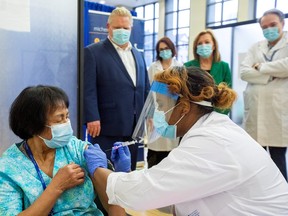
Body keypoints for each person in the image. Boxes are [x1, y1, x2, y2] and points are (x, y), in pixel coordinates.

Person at [84, 66, 288, 215]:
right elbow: (173, 195)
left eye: (162, 105)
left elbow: (140, 194)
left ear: (184, 107)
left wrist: (98, 169)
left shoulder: (213, 143)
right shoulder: (212, 129)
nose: (158, 114)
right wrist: (126, 175)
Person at [0, 85, 126, 215]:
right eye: (60, 119)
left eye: (67, 116)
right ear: (33, 126)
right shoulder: (9, 167)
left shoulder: (76, 149)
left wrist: (119, 177)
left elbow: (113, 205)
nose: (66, 123)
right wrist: (57, 186)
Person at [84, 6, 150, 171]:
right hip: (106, 126)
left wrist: (148, 116)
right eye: (117, 27)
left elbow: (144, 88)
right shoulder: (93, 52)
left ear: (131, 28)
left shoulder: (138, 54)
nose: (122, 31)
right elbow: (88, 88)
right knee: (106, 171)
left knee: (130, 171)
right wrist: (92, 117)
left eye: (125, 28)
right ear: (108, 27)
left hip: (134, 127)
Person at [240, 8, 288, 181]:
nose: (269, 29)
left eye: (273, 25)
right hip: (256, 110)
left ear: (282, 23)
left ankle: (282, 200)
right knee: (256, 161)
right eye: (264, 27)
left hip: (278, 111)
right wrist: (272, 75)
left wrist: (261, 67)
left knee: (277, 160)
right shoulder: (255, 47)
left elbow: (286, 66)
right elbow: (244, 72)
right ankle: (260, 196)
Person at [147, 36, 182, 168]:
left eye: (166, 48)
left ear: (172, 49)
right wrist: (149, 114)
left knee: (172, 151)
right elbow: (149, 93)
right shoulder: (153, 67)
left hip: (173, 113)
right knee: (155, 149)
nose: (164, 51)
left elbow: (180, 92)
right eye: (161, 49)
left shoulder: (179, 67)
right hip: (157, 112)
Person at [184, 29, 232, 114]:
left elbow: (228, 94)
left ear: (214, 46)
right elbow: (184, 93)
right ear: (196, 48)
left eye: (207, 42)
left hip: (218, 113)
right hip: (194, 114)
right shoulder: (188, 66)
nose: (203, 45)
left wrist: (223, 113)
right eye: (199, 43)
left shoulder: (224, 66)